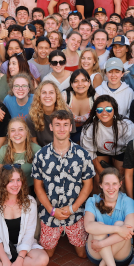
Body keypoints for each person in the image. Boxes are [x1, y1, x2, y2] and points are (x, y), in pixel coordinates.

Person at [31, 110, 95, 258]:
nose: (61, 129)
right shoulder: (41, 155)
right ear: (51, 127)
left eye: (65, 125)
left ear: (71, 127)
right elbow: (37, 187)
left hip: (75, 213)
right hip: (50, 213)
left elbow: (88, 185)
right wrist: (52, 211)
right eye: (57, 125)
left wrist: (73, 208)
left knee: (82, 254)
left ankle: (72, 233)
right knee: (47, 254)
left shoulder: (82, 154)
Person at [84, 168, 134, 266]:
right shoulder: (92, 201)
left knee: (121, 224)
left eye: (114, 183)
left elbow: (129, 229)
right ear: (101, 185)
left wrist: (102, 243)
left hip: (119, 253)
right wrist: (117, 230)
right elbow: (88, 226)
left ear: (120, 184)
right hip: (95, 253)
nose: (111, 188)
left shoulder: (128, 201)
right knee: (101, 227)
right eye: (107, 184)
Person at [81, 95, 134, 178]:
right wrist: (101, 171)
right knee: (98, 177)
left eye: (108, 109)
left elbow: (133, 148)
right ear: (95, 112)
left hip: (121, 152)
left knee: (121, 176)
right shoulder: (89, 128)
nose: (104, 113)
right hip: (100, 152)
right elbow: (89, 153)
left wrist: (125, 167)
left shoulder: (126, 125)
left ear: (114, 110)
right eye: (100, 110)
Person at [0, 117, 41, 192]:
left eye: (21, 129)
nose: (17, 133)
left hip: (32, 190)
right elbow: (0, 179)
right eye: (13, 130)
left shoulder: (37, 150)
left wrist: (38, 199)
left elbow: (42, 178)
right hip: (11, 190)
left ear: (27, 132)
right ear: (9, 134)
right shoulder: (2, 152)